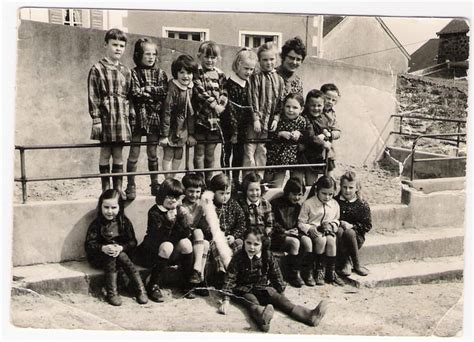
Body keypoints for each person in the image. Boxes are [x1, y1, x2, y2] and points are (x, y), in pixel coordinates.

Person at [218, 227, 329, 333]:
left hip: (262, 286)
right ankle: (262, 318)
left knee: (281, 301)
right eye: (248, 243)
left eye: (256, 244)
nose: (251, 247)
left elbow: (276, 274)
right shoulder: (238, 257)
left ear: (262, 245)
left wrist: (280, 293)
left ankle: (309, 316)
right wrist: (226, 300)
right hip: (244, 289)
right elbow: (230, 278)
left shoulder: (267, 255)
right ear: (244, 242)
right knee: (251, 302)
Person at [88, 28, 134, 198]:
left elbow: (129, 96)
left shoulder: (126, 71)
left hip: (121, 116)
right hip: (106, 116)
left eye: (121, 46)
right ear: (106, 44)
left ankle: (118, 187)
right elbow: (94, 96)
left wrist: (130, 116)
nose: (118, 49)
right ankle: (106, 188)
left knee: (118, 153)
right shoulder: (97, 69)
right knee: (106, 152)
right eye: (114, 44)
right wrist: (96, 118)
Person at [133, 178, 194, 302]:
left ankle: (186, 281)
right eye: (169, 196)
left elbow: (185, 234)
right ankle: (153, 284)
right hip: (152, 253)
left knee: (186, 243)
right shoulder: (155, 212)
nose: (173, 200)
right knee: (167, 245)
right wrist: (169, 222)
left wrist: (182, 219)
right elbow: (158, 237)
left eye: (176, 198)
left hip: (169, 253)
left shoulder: (178, 211)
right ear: (161, 196)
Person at [85, 189, 148, 306]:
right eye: (106, 207)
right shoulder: (97, 224)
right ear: (101, 207)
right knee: (111, 254)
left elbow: (133, 242)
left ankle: (140, 289)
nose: (109, 211)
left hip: (121, 258)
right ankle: (112, 292)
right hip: (100, 258)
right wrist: (102, 248)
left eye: (113, 208)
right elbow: (89, 244)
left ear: (120, 208)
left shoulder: (124, 222)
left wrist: (121, 248)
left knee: (120, 254)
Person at [125, 38, 168, 200]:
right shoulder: (133, 72)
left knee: (152, 152)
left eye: (153, 54)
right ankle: (131, 184)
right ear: (138, 55)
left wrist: (147, 90)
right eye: (147, 54)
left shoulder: (161, 73)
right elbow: (135, 92)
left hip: (154, 116)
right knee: (134, 152)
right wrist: (152, 94)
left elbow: (164, 92)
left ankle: (155, 183)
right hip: (138, 116)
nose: (151, 57)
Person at [244, 42, 286, 178]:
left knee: (262, 150)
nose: (269, 63)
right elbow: (253, 98)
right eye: (265, 60)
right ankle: (248, 178)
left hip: (268, 122)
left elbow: (280, 101)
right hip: (254, 122)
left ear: (277, 59)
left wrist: (276, 118)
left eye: (271, 59)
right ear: (259, 61)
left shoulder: (279, 80)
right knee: (250, 150)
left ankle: (259, 179)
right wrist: (255, 118)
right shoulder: (255, 77)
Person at [192, 41, 228, 184]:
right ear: (199, 56)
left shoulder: (220, 74)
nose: (210, 60)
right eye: (206, 57)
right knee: (199, 152)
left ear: (217, 58)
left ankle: (208, 180)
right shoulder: (196, 72)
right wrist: (214, 105)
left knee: (210, 154)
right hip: (201, 118)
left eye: (213, 57)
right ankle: (199, 180)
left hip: (215, 120)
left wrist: (222, 105)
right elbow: (199, 92)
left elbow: (225, 91)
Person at [221, 48, 258, 189]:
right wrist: (234, 131)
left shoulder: (248, 84)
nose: (248, 72)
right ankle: (226, 179)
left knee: (239, 154)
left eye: (251, 69)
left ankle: (236, 180)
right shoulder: (230, 83)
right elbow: (229, 109)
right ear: (238, 65)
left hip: (243, 126)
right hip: (230, 125)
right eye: (246, 68)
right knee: (227, 153)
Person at [298, 176, 344, 286]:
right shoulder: (308, 204)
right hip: (312, 231)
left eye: (330, 194)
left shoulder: (334, 204)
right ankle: (318, 270)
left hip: (327, 230)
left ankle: (330, 272)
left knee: (331, 241)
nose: (327, 197)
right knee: (321, 240)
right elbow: (300, 222)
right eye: (324, 193)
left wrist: (332, 226)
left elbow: (337, 220)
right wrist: (309, 228)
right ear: (317, 190)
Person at [199, 173, 246, 281]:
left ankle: (241, 271)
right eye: (221, 193)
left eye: (228, 193)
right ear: (213, 192)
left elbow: (241, 223)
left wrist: (234, 236)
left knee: (239, 244)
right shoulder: (208, 206)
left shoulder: (233, 205)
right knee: (217, 246)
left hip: (230, 237)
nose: (225, 196)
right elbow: (205, 226)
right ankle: (222, 272)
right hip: (214, 238)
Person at [270, 177, 314, 287]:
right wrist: (285, 231)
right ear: (287, 192)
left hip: (292, 234)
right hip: (277, 236)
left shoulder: (298, 207)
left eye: (300, 195)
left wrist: (296, 229)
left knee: (307, 241)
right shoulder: (276, 204)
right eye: (294, 194)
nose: (297, 197)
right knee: (295, 243)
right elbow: (272, 222)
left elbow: (300, 222)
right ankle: (293, 274)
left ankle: (306, 272)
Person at [160, 54, 198, 178]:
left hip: (183, 128)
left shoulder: (191, 88)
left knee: (179, 153)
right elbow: (166, 111)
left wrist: (191, 134)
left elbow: (191, 114)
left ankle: (173, 177)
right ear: (176, 73)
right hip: (172, 126)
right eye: (182, 72)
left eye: (189, 73)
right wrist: (165, 135)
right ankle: (167, 179)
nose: (185, 76)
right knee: (169, 153)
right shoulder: (173, 87)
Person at [265, 93, 306, 188]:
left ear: (301, 109)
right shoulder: (278, 120)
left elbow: (306, 135)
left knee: (295, 182)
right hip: (276, 156)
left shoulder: (302, 121)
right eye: (288, 106)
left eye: (295, 107)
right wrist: (280, 134)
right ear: (283, 106)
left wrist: (299, 133)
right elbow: (269, 136)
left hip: (293, 156)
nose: (290, 110)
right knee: (271, 183)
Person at [335, 171, 371, 277]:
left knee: (349, 233)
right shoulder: (335, 201)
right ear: (340, 187)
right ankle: (345, 262)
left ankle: (356, 264)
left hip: (355, 238)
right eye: (344, 187)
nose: (347, 191)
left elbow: (367, 225)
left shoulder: (361, 204)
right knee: (340, 231)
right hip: (338, 237)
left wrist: (352, 226)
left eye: (351, 187)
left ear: (357, 188)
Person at [180, 173, 209, 296]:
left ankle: (198, 277)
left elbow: (206, 229)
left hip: (196, 240)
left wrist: (207, 213)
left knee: (206, 243)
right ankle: (192, 279)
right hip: (182, 239)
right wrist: (184, 215)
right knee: (198, 233)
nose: (194, 195)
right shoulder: (180, 205)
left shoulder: (201, 205)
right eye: (191, 191)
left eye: (197, 192)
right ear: (184, 190)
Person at [297, 89, 332, 187]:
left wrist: (326, 132)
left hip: (315, 156)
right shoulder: (304, 118)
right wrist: (323, 143)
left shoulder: (323, 118)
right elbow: (310, 136)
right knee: (298, 182)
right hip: (302, 155)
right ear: (307, 105)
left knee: (311, 182)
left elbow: (325, 128)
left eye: (319, 105)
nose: (316, 108)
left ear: (323, 105)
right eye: (313, 105)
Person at [238, 172, 274, 249]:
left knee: (267, 243)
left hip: (261, 237)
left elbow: (269, 224)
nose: (254, 193)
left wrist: (266, 232)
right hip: (247, 237)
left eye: (257, 190)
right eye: (251, 190)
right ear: (246, 190)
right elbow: (240, 225)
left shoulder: (265, 204)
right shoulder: (241, 204)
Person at [320, 83, 342, 178]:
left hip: (328, 150)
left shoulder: (332, 114)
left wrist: (331, 134)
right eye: (328, 98)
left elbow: (338, 131)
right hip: (315, 146)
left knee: (329, 173)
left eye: (333, 100)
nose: (330, 102)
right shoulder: (316, 110)